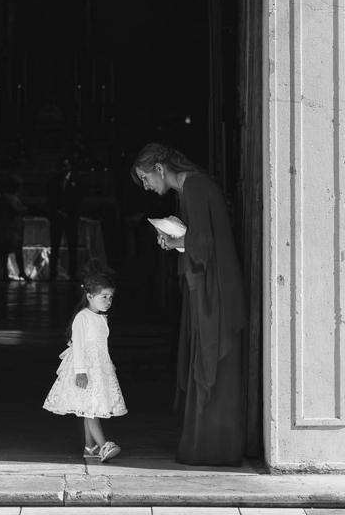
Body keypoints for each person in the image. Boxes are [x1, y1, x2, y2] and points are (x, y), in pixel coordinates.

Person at [131, 142, 247, 467]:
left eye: (145, 178)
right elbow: (199, 236)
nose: (146, 186)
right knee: (205, 357)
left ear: (159, 168)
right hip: (208, 283)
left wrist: (172, 241)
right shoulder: (189, 188)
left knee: (212, 360)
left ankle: (212, 448)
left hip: (215, 287)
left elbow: (203, 242)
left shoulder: (194, 185)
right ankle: (207, 445)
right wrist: (176, 236)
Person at [42, 273, 126, 462]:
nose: (108, 301)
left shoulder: (101, 318)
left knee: (90, 407)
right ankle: (104, 445)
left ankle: (90, 446)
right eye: (104, 296)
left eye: (111, 297)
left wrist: (108, 365)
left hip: (98, 368)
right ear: (90, 297)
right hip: (86, 369)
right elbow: (79, 346)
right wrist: (81, 371)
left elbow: (102, 346)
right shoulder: (82, 318)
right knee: (92, 409)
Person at [47, 156, 82, 281]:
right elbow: (50, 200)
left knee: (72, 247)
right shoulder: (53, 181)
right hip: (57, 218)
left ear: (70, 166)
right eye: (61, 165)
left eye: (65, 165)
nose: (63, 168)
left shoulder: (76, 181)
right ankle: (52, 273)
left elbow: (78, 200)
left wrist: (70, 214)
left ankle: (72, 273)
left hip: (71, 219)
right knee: (54, 246)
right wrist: (57, 212)